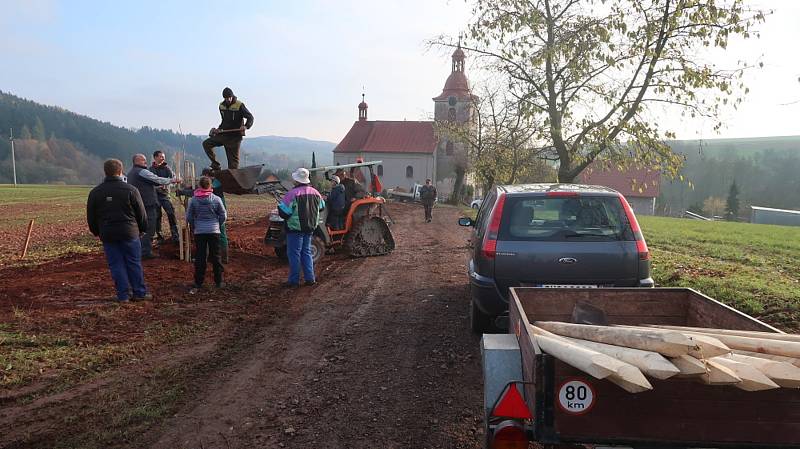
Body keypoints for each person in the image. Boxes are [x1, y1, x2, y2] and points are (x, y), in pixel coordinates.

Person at [87, 159, 151, 302]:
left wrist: (96, 232)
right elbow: (141, 213)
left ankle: (123, 295)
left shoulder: (95, 192)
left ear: (105, 172)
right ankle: (139, 293)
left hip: (108, 233)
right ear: (121, 171)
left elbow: (91, 216)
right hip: (130, 232)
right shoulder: (131, 190)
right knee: (133, 262)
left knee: (116, 264)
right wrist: (142, 229)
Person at [278, 168, 325, 287]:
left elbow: (284, 212)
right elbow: (322, 207)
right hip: (310, 228)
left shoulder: (292, 194)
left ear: (296, 180)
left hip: (295, 229)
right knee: (306, 252)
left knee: (294, 254)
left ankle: (294, 281)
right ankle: (310, 278)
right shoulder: (316, 192)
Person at [127, 154, 178, 259]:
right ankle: (145, 252)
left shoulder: (131, 172)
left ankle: (139, 250)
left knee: (141, 227)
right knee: (149, 227)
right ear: (137, 161)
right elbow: (157, 179)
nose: (145, 162)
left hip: (139, 203)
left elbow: (148, 183)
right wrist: (173, 180)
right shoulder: (142, 171)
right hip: (147, 204)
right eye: (143, 160)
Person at [186, 176, 227, 289]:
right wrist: (218, 224)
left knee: (200, 257)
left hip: (199, 231)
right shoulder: (216, 199)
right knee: (216, 256)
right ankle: (219, 282)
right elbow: (223, 215)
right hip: (214, 231)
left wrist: (195, 225)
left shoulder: (193, 200)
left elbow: (189, 216)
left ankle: (198, 282)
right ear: (210, 186)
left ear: (199, 186)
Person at [202, 87, 254, 170]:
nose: (228, 99)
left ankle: (233, 179)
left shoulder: (239, 105)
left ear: (232, 96)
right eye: (226, 98)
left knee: (233, 166)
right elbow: (224, 120)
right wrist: (218, 129)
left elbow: (250, 117)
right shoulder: (221, 106)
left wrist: (246, 126)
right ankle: (215, 165)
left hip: (235, 137)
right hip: (224, 134)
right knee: (206, 143)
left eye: (229, 97)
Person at [201, 167, 230, 263]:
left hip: (218, 211)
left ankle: (223, 258)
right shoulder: (217, 181)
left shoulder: (213, 184)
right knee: (219, 233)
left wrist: (184, 191)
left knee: (219, 233)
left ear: (206, 175)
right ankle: (220, 257)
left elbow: (200, 191)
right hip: (218, 210)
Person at [150, 150, 179, 243]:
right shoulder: (150, 169)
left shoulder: (167, 168)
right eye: (161, 156)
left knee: (171, 213)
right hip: (154, 196)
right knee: (157, 216)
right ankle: (159, 236)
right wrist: (157, 187)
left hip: (165, 195)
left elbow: (173, 179)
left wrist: (168, 185)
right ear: (155, 157)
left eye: (163, 156)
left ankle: (175, 235)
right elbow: (149, 182)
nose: (163, 158)